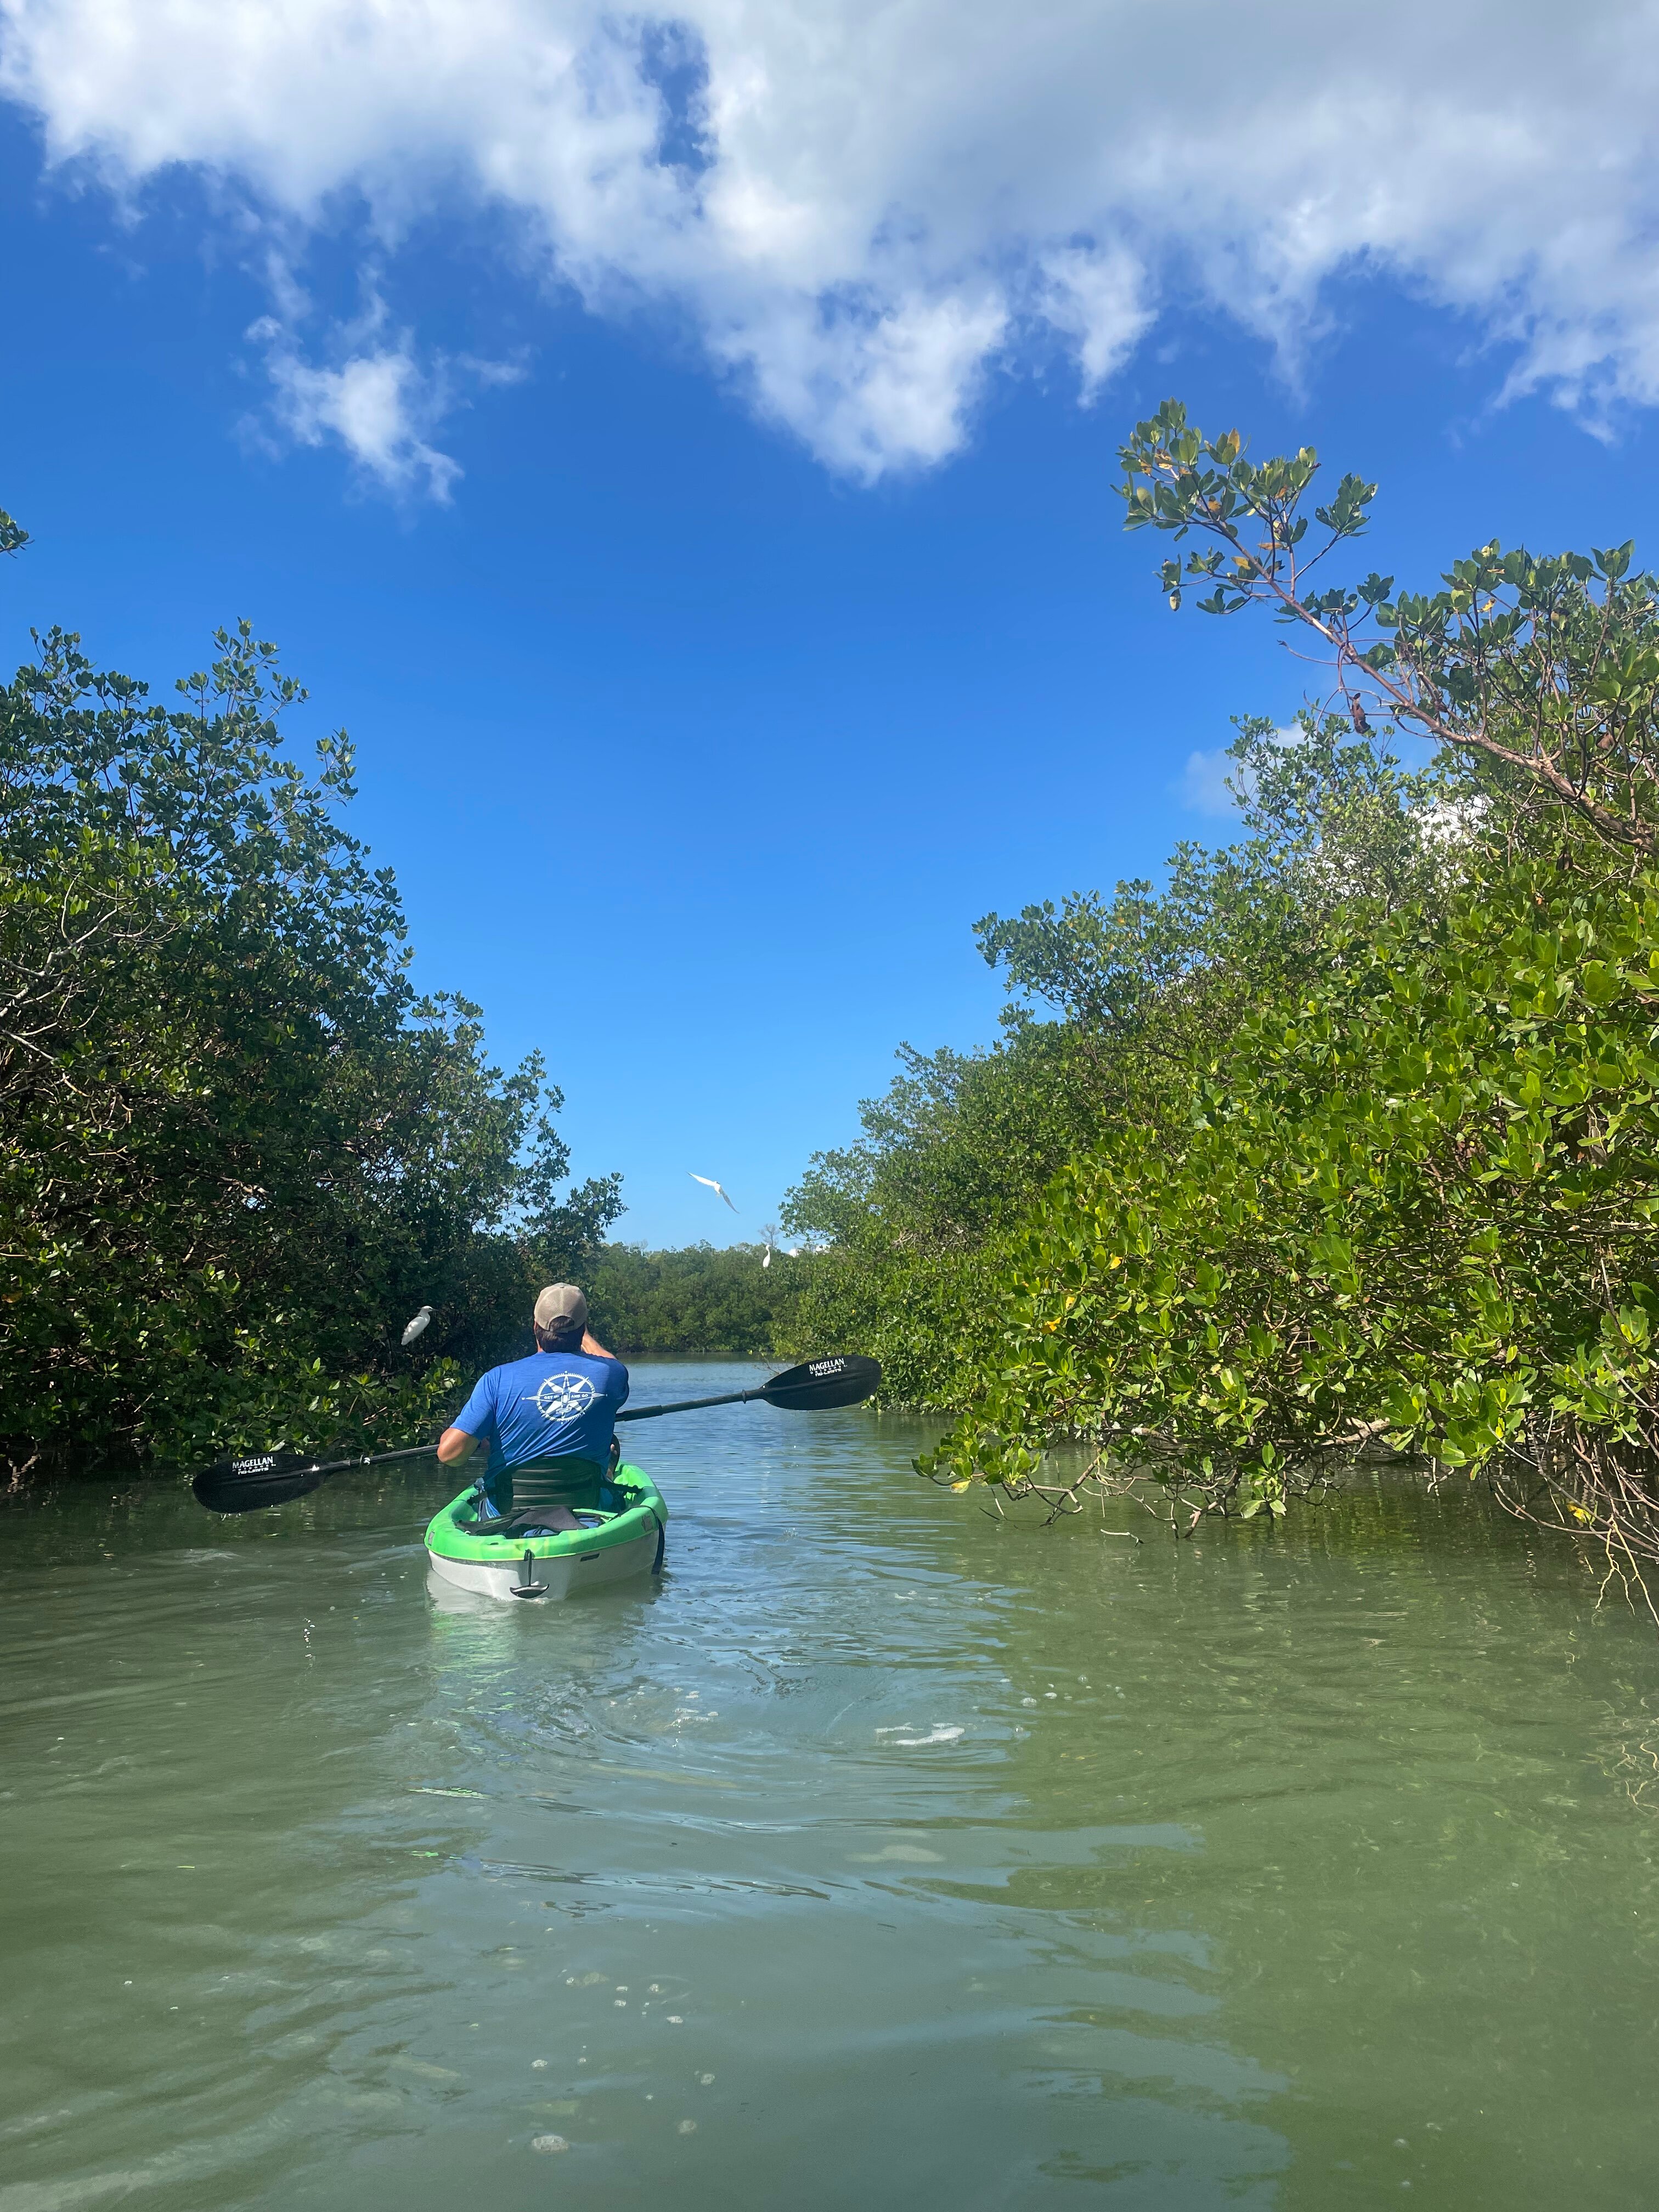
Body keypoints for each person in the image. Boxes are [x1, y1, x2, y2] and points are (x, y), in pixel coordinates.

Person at [436, 1284, 629, 1530]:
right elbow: (609, 1363)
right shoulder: (611, 1374)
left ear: (535, 1327)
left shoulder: (496, 1379)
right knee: (609, 1460)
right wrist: (586, 1337)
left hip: (507, 1515)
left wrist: (489, 1442)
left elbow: (450, 1455)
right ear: (583, 1329)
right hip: (585, 1511)